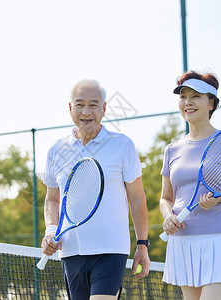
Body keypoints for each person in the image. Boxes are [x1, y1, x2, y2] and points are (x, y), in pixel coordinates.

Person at [41, 79, 150, 300]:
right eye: (80, 104)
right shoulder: (55, 150)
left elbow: (137, 198)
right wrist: (51, 230)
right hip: (71, 252)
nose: (86, 111)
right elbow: (52, 199)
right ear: (70, 108)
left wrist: (142, 246)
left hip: (111, 250)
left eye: (93, 104)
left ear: (104, 108)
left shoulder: (122, 145)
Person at [159, 71, 221, 300]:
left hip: (219, 238)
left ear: (211, 103)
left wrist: (219, 198)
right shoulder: (172, 149)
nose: (188, 102)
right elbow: (166, 198)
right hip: (182, 241)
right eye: (183, 96)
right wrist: (167, 216)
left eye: (196, 96)